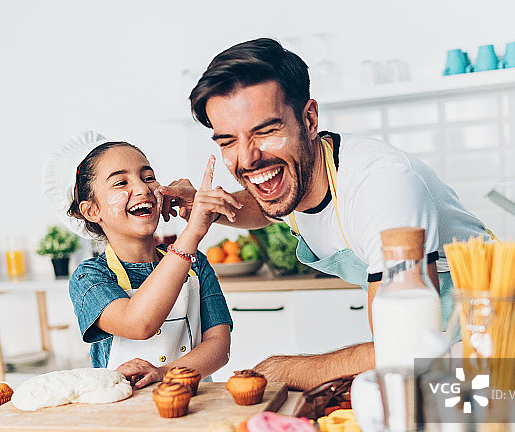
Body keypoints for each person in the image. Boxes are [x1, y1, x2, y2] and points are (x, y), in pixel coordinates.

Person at [159, 38, 487, 390]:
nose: (247, 158)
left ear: (309, 119)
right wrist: (206, 206)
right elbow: (267, 205)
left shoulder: (381, 185)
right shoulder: (297, 176)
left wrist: (285, 370)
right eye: (228, 141)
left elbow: (405, 344)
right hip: (425, 362)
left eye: (266, 131)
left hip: (486, 347)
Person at [67, 141, 239, 388]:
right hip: (124, 412)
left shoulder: (196, 263)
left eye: (148, 177)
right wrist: (192, 233)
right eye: (120, 182)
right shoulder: (90, 277)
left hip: (195, 404)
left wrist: (164, 373)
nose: (142, 188)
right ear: (92, 211)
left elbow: (219, 346)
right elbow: (138, 324)